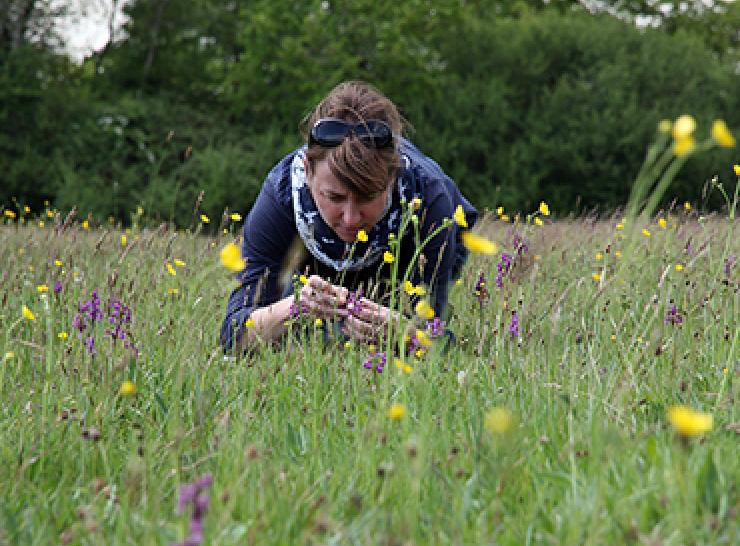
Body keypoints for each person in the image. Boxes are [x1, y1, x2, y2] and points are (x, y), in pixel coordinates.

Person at [220, 81, 477, 352]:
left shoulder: (431, 201)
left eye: (367, 197)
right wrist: (296, 306)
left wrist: (404, 332)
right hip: (314, 249)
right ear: (307, 171)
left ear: (393, 176)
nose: (351, 219)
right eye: (334, 197)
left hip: (404, 244)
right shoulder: (281, 194)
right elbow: (234, 335)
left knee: (387, 339)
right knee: (303, 335)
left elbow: (436, 343)